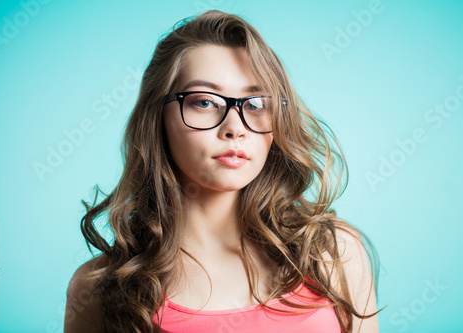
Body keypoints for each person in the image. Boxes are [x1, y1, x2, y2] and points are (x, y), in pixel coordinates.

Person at [64, 9, 381, 333]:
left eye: (255, 103)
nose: (235, 128)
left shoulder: (334, 254)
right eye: (203, 102)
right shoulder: (100, 289)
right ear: (158, 118)